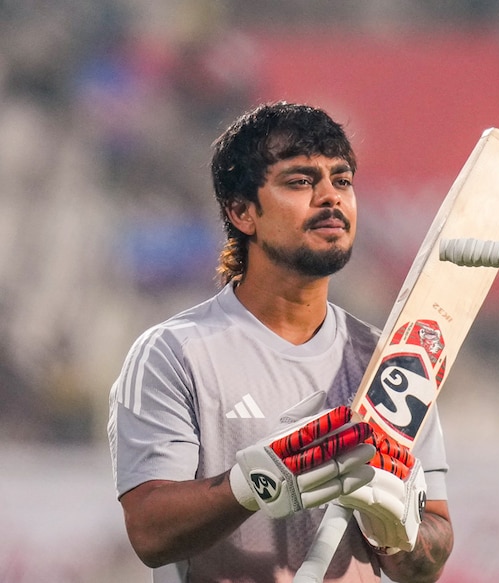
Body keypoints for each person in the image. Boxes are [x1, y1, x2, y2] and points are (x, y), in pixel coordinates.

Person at [108, 102, 453, 582]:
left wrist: (401, 524)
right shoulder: (173, 353)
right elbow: (149, 532)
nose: (330, 198)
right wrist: (252, 484)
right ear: (242, 211)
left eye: (342, 180)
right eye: (300, 182)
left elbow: (426, 561)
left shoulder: (392, 362)